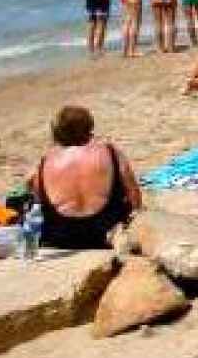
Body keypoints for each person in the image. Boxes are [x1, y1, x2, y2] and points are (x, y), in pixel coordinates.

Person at [27, 106, 143, 250]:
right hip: (105, 230)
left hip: (61, 236)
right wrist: (136, 216)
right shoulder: (110, 151)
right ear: (89, 128)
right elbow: (134, 193)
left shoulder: (45, 161)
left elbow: (39, 200)